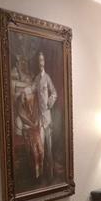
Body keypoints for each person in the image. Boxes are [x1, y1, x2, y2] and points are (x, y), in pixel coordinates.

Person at [30, 51, 57, 181]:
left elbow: (54, 93)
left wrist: (49, 103)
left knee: (49, 148)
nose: (40, 63)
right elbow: (31, 90)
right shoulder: (36, 79)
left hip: (48, 117)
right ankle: (40, 176)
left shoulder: (47, 78)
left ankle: (50, 175)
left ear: (44, 62)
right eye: (38, 61)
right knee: (41, 148)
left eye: (42, 60)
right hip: (40, 119)